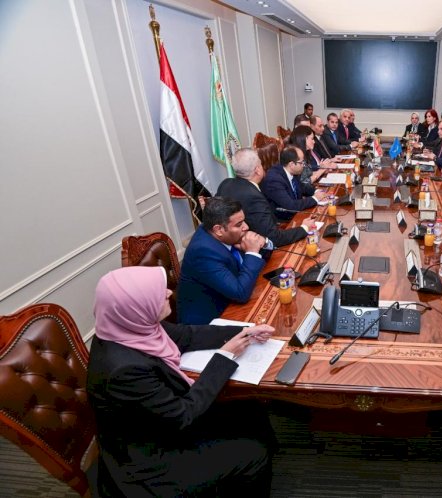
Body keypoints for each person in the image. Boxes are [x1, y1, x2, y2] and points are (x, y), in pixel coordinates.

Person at [87, 266, 275, 496]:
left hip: (158, 421)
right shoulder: (124, 370)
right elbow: (183, 415)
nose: (169, 292)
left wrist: (246, 331)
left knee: (249, 406)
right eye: (159, 293)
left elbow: (187, 336)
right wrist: (225, 357)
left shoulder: (129, 326)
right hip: (150, 458)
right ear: (136, 307)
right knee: (253, 454)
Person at [177, 197, 269, 325]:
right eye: (239, 225)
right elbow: (240, 293)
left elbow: (264, 257)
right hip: (209, 323)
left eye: (243, 221)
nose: (246, 227)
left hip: (231, 301)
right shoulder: (203, 252)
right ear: (218, 230)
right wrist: (252, 252)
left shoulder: (221, 232)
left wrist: (263, 244)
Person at [217, 148, 315, 247]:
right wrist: (304, 228)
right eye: (261, 164)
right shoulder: (254, 198)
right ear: (257, 170)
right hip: (259, 248)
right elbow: (274, 237)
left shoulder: (225, 183)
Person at [261, 145, 327, 220]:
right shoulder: (274, 180)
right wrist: (315, 198)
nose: (304, 165)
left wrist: (317, 191)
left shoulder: (293, 171)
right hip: (285, 220)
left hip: (298, 213)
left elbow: (303, 187)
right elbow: (290, 206)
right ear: (291, 164)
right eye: (301, 162)